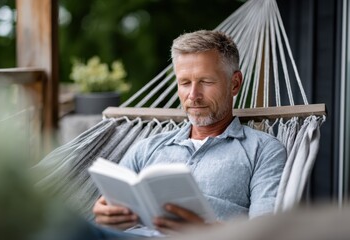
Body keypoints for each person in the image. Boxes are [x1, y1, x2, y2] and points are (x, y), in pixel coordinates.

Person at [93, 30, 287, 236]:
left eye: (206, 82)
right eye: (185, 83)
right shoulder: (146, 149)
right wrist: (105, 217)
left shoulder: (263, 151)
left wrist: (206, 232)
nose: (193, 96)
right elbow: (105, 213)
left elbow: (265, 233)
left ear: (235, 83)